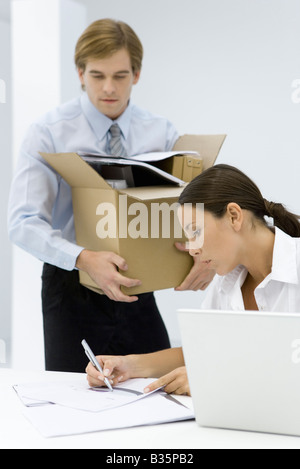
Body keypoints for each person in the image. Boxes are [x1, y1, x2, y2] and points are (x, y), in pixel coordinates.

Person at [7, 19, 213, 373]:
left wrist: (204, 251)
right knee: (76, 397)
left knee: (158, 387)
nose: (108, 88)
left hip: (139, 281)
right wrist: (85, 258)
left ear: (136, 74)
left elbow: (191, 207)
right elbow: (23, 223)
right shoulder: (47, 133)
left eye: (120, 76)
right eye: (97, 75)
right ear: (80, 72)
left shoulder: (161, 132)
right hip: (72, 284)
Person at [86, 164, 300, 395]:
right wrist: (128, 365)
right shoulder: (227, 282)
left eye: (196, 231)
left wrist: (215, 376)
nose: (193, 249)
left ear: (234, 216)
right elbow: (202, 348)